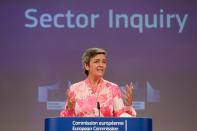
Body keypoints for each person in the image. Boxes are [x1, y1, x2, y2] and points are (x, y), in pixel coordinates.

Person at [60, 48, 136, 117]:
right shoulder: (75, 88)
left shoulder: (113, 88)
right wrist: (70, 108)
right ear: (87, 66)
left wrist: (128, 105)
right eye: (97, 61)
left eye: (104, 62)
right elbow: (67, 121)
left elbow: (122, 118)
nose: (101, 65)